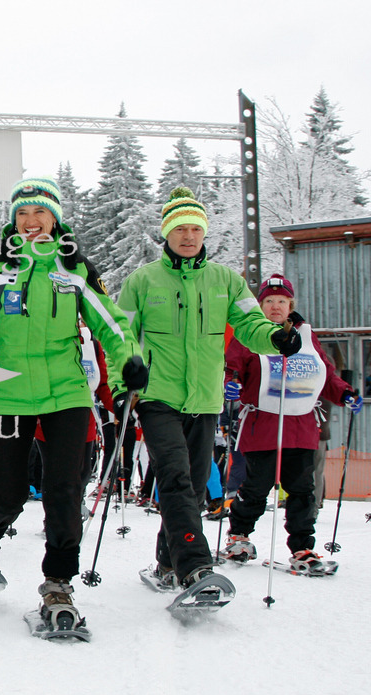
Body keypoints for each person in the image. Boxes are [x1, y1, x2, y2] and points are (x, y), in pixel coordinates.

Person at [0, 177, 147, 637]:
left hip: (66, 392)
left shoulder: (74, 266)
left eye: (40, 213)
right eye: (23, 213)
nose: (32, 221)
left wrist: (129, 360)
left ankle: (58, 583)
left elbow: (111, 323)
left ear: (55, 218)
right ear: (13, 220)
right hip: (8, 392)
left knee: (63, 491)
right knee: (11, 491)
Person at [115, 187, 302, 601]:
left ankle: (166, 563)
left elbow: (252, 325)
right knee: (176, 478)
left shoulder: (226, 281)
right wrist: (120, 385)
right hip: (157, 396)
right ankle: (195, 567)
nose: (188, 236)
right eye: (180, 228)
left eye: (195, 228)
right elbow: (120, 338)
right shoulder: (142, 281)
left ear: (204, 234)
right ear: (166, 233)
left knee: (195, 486)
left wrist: (277, 337)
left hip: (204, 400)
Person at [221, 274, 361, 573]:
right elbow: (231, 366)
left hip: (301, 427)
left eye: (281, 301)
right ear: (260, 304)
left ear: (290, 304)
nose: (275, 307)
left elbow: (326, 374)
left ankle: (302, 546)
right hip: (263, 425)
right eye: (269, 301)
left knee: (301, 490)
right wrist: (230, 382)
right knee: (256, 487)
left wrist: (345, 394)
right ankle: (239, 535)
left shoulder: (307, 336)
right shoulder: (249, 333)